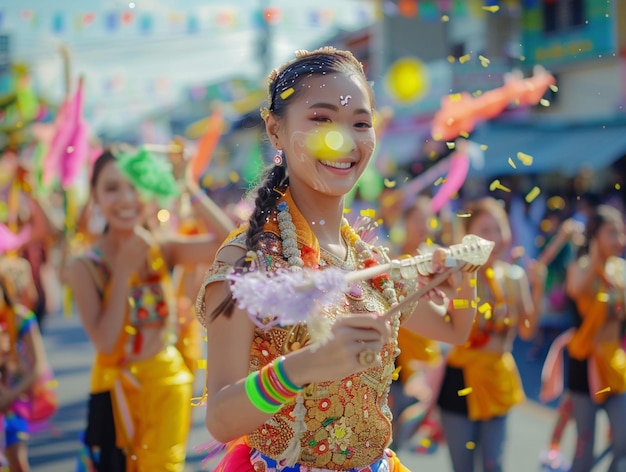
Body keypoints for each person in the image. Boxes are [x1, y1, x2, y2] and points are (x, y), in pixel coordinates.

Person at [196, 46, 478, 472]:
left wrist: (463, 283)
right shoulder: (249, 261)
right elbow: (219, 418)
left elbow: (454, 329)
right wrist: (301, 368)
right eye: (321, 119)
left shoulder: (369, 260)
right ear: (275, 130)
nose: (344, 140)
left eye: (360, 123)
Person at [65, 147, 233, 471]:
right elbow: (104, 342)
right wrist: (125, 270)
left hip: (168, 387)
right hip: (114, 397)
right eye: (112, 188)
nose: (126, 198)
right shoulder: (84, 266)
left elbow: (230, 243)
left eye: (135, 186)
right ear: (95, 198)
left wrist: (187, 185)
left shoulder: (162, 247)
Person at [436, 196, 546, 472]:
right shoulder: (458, 278)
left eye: (498, 229)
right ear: (469, 237)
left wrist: (538, 288)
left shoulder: (515, 277)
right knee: (462, 467)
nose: (494, 238)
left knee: (493, 465)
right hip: (461, 381)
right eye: (485, 231)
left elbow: (527, 332)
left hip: (498, 378)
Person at [562, 204, 626, 472]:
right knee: (584, 447)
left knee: (623, 441)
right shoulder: (580, 267)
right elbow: (576, 291)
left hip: (614, 363)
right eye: (612, 233)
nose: (620, 240)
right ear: (595, 235)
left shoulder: (621, 270)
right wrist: (596, 262)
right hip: (585, 364)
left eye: (621, 233)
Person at [0, 266, 50, 472]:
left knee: (17, 461)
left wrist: (9, 395)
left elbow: (39, 367)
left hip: (15, 401)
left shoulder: (21, 318)